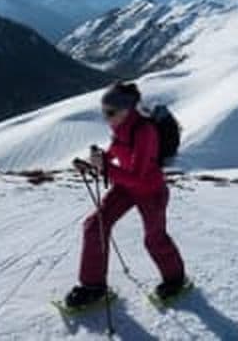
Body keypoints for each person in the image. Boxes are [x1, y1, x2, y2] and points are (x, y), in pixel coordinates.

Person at [64, 82, 186, 309]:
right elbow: (113, 155)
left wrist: (106, 168)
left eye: (110, 112)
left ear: (127, 110)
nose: (106, 117)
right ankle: (93, 287)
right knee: (94, 226)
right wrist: (94, 163)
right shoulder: (121, 129)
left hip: (151, 191)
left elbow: (139, 176)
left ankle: (176, 280)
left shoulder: (145, 132)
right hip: (127, 187)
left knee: (154, 239)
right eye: (103, 111)